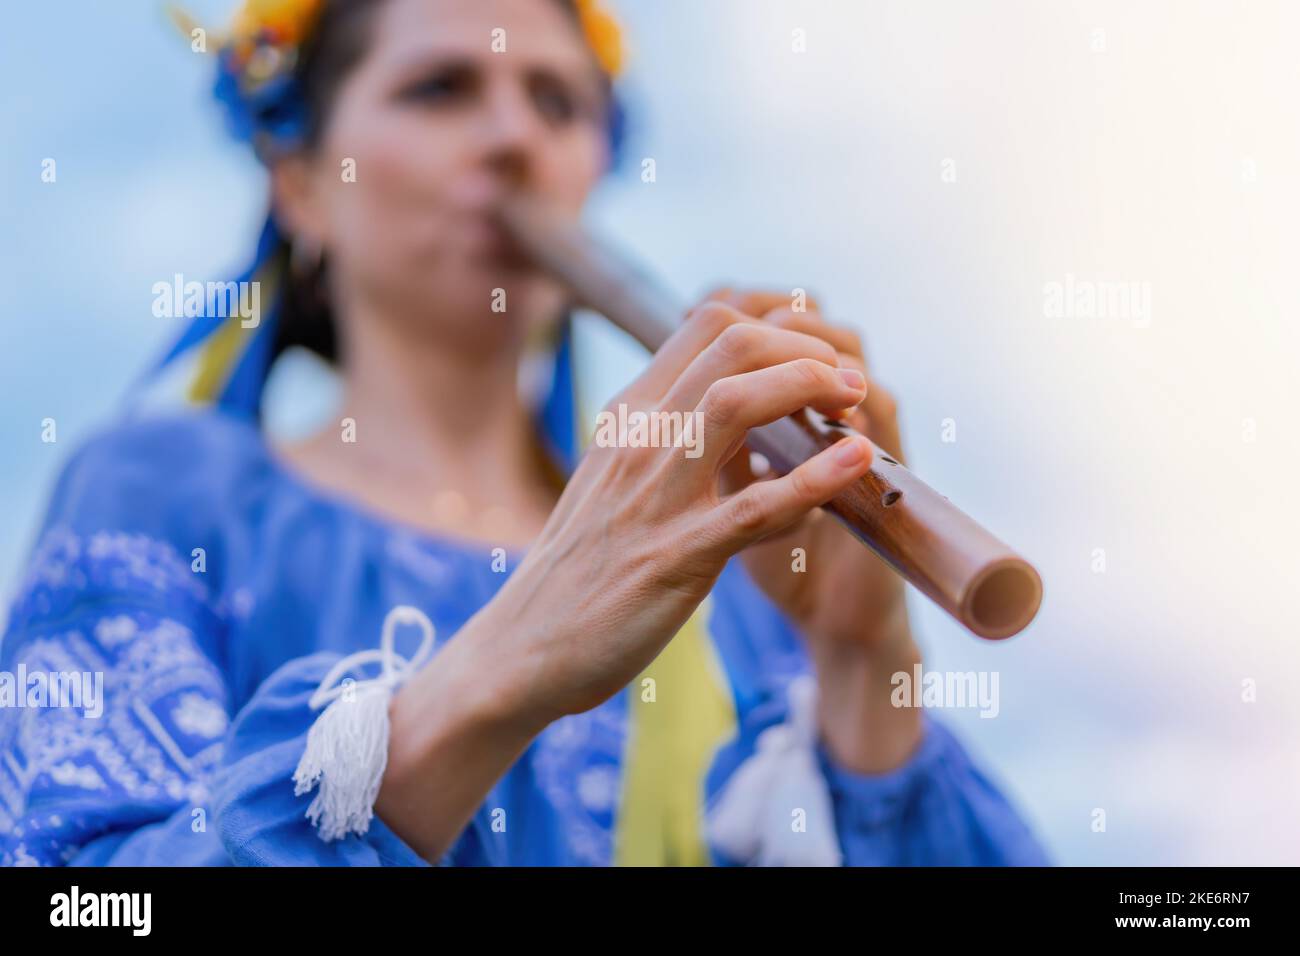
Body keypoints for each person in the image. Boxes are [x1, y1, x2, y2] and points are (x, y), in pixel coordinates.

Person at [0, 0, 1046, 866]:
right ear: (304, 185)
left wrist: (861, 661)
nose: (514, 138)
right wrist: (502, 664)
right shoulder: (166, 491)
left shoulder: (724, 562)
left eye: (557, 100)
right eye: (441, 87)